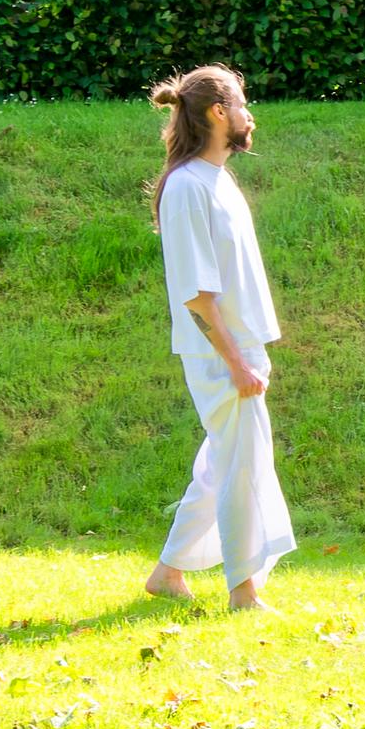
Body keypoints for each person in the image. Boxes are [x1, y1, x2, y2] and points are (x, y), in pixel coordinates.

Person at [145, 63, 291, 613]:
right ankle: (244, 591)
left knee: (220, 464)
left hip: (240, 349)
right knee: (242, 467)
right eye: (242, 102)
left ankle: (168, 573)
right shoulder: (186, 188)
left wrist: (248, 354)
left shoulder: (216, 179)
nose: (250, 113)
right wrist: (234, 361)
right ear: (217, 112)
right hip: (218, 354)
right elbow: (195, 292)